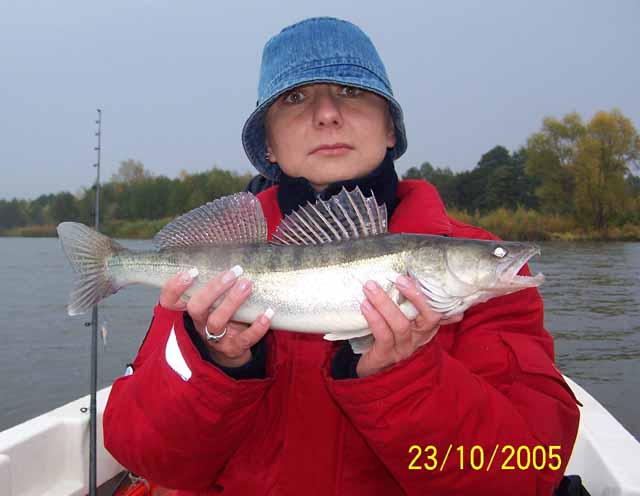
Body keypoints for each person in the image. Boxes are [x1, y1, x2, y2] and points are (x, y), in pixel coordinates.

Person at [104, 17, 580, 495]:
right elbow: (143, 454)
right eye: (295, 98)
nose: (327, 114)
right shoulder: (214, 270)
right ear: (268, 145)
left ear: (391, 128)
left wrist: (406, 378)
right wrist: (214, 361)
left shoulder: (495, 293)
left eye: (351, 91)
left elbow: (526, 474)